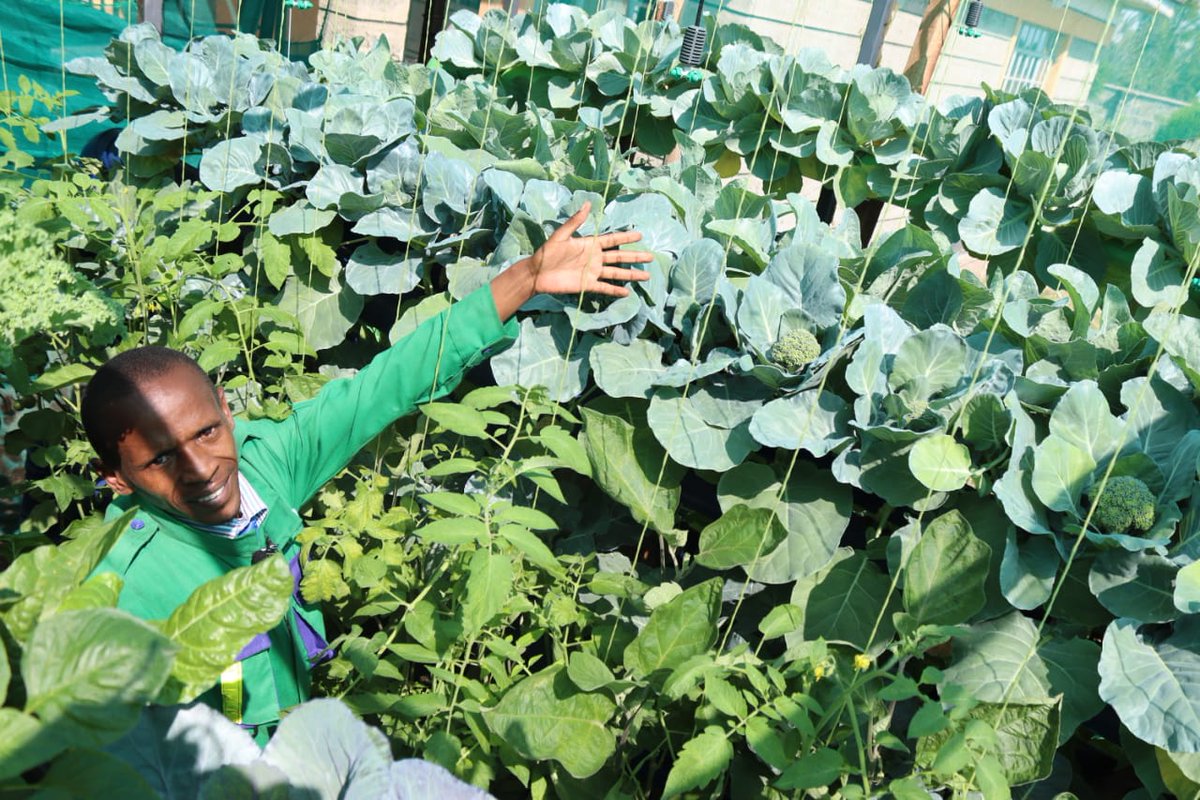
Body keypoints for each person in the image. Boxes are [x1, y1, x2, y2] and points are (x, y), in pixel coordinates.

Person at [83, 203, 652, 743]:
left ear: (227, 412)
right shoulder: (122, 593)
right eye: (159, 460)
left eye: (206, 433)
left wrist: (525, 278)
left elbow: (385, 386)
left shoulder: (263, 466)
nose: (202, 470)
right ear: (118, 479)